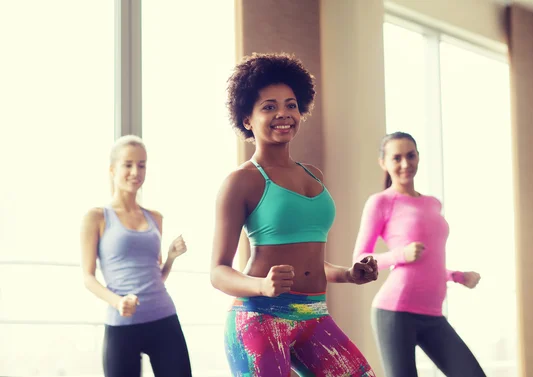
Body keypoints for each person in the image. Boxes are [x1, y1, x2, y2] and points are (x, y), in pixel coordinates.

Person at [210, 52, 378, 377]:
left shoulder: (313, 174)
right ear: (247, 118)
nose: (283, 114)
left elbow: (307, 259)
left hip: (314, 316)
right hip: (260, 318)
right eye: (269, 107)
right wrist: (262, 286)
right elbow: (218, 272)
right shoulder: (241, 181)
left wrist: (348, 274)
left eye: (290, 104)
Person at [352, 131, 486, 377]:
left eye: (411, 155)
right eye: (397, 158)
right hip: (395, 312)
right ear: (384, 163)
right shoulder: (380, 202)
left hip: (432, 314)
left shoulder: (432, 203)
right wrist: (399, 255)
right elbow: (359, 259)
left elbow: (429, 263)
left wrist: (458, 276)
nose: (406, 164)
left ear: (418, 157)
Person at [80, 135, 192, 377]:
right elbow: (88, 278)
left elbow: (156, 276)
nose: (135, 171)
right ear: (112, 169)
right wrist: (117, 302)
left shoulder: (155, 218)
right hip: (122, 325)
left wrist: (171, 257)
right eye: (128, 164)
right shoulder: (97, 217)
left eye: (141, 165)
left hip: (164, 317)